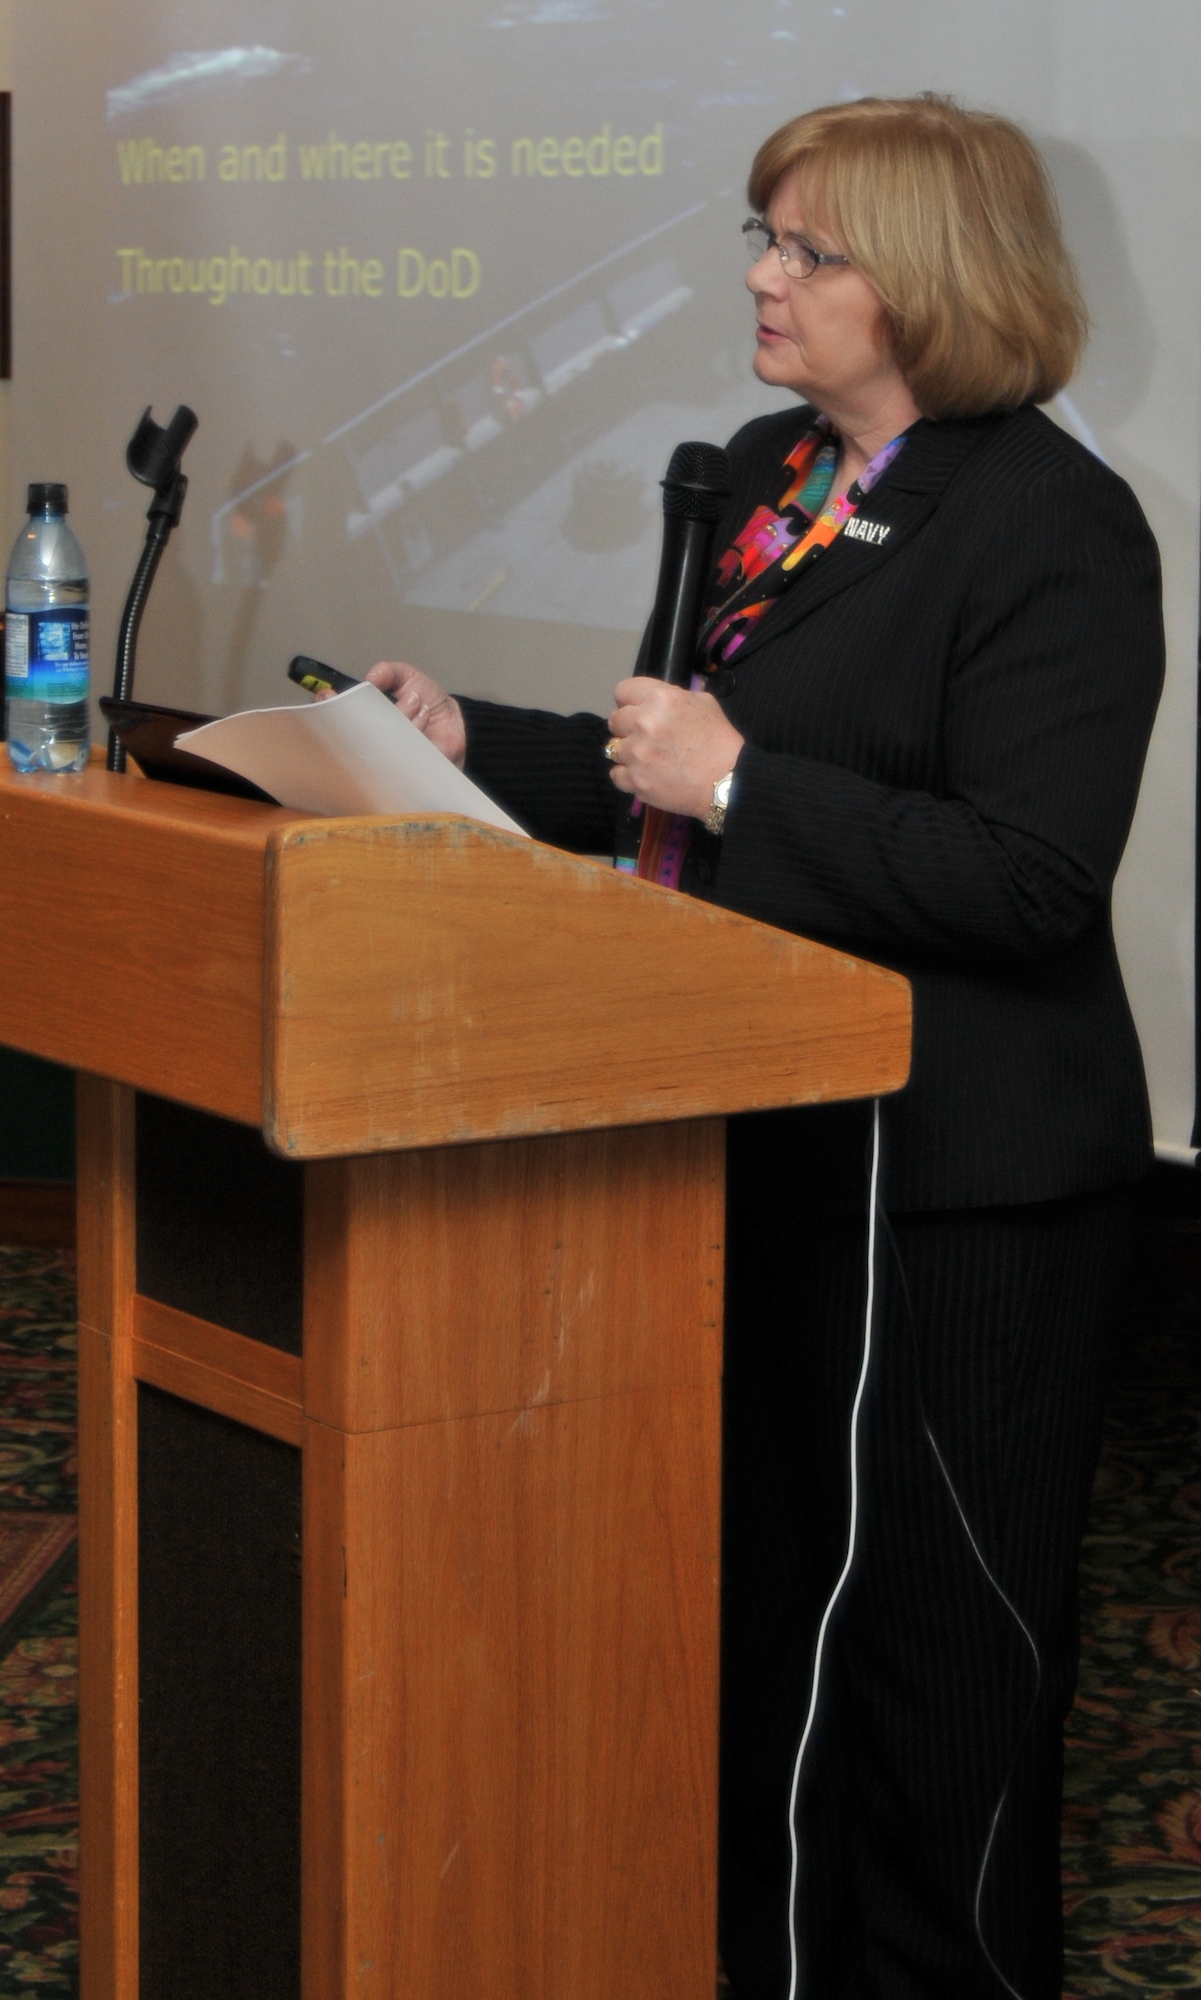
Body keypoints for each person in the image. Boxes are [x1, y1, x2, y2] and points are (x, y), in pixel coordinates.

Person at [367, 94, 1165, 2000]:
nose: (763, 276)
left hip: (967, 1189)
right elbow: (682, 786)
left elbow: (1033, 877)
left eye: (809, 249)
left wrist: (743, 780)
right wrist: (467, 741)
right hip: (771, 1135)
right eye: (762, 235)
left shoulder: (1055, 522)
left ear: (936, 279)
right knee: (772, 1632)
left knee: (938, 1666)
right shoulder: (769, 473)